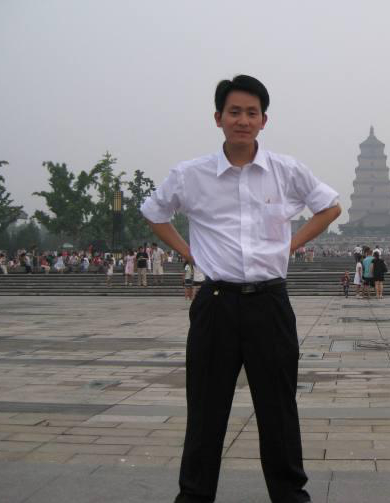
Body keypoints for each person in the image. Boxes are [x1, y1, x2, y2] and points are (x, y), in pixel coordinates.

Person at [141, 75, 340, 503]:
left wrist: (291, 244)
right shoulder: (190, 174)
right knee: (206, 411)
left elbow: (329, 206)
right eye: (234, 112)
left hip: (270, 303)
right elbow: (154, 212)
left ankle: (290, 496)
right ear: (218, 118)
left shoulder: (286, 170)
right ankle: (194, 497)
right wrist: (189, 252)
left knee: (278, 410)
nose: (243, 120)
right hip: (216, 304)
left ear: (264, 120)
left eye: (252, 113)